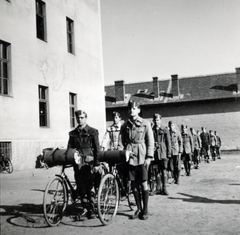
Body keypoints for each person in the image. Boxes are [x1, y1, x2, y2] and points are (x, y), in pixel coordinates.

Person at [118, 100, 154, 220]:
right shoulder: (125, 125)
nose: (131, 111)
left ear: (138, 110)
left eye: (134, 108)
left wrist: (149, 157)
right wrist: (123, 154)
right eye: (130, 109)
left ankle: (146, 210)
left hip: (142, 156)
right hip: (130, 157)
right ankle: (138, 208)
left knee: (143, 183)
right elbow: (121, 141)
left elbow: (150, 142)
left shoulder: (145, 123)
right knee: (133, 184)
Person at [67, 110, 101, 220]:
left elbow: (97, 149)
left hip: (89, 163)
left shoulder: (92, 132)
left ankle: (91, 210)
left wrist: (96, 163)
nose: (80, 120)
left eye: (82, 117)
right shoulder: (73, 133)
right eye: (78, 118)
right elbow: (70, 148)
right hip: (78, 164)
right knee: (81, 186)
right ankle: (84, 208)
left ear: (86, 118)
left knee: (90, 186)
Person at [100, 111, 128, 194]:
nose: (115, 119)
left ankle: (124, 189)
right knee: (111, 169)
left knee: (122, 171)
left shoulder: (123, 128)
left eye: (116, 117)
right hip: (112, 151)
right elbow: (105, 138)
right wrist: (102, 147)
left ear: (120, 118)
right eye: (113, 117)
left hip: (120, 150)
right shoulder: (110, 128)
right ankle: (114, 187)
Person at [149, 114, 171, 196]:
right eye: (155, 120)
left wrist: (169, 154)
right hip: (155, 154)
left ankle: (164, 188)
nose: (156, 122)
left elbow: (168, 142)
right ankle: (158, 188)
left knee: (163, 170)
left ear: (160, 120)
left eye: (157, 120)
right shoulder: (151, 130)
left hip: (162, 153)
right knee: (156, 171)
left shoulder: (165, 129)